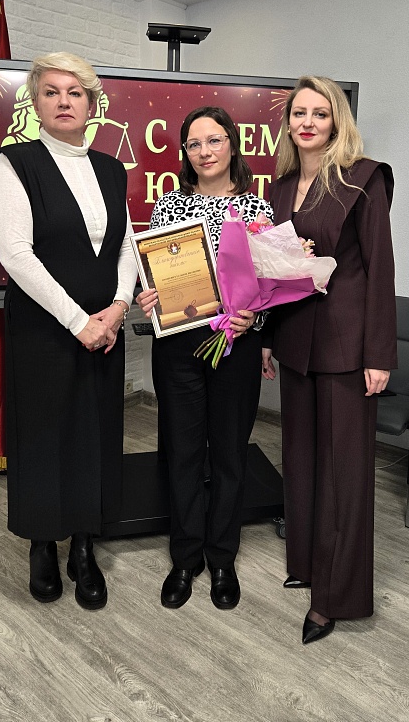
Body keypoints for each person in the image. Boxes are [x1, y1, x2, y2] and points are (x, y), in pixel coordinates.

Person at [0, 52, 138, 610]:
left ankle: (83, 545)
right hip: (46, 328)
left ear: (92, 103)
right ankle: (42, 545)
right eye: (51, 92)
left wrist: (117, 308)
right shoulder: (17, 162)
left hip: (105, 329)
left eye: (75, 92)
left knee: (95, 434)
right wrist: (79, 322)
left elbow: (126, 246)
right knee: (45, 434)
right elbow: (16, 254)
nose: (63, 101)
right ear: (36, 102)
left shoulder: (111, 169)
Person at [262, 76, 397, 643]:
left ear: (337, 121)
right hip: (295, 341)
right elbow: (273, 270)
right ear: (288, 122)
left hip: (347, 345)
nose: (308, 122)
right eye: (299, 113)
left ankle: (336, 597)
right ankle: (308, 564)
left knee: (343, 473)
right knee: (300, 461)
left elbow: (380, 268)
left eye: (320, 113)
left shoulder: (364, 178)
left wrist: (378, 354)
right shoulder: (279, 188)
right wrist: (267, 337)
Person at [136, 106, 274, 610]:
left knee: (231, 453)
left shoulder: (257, 210)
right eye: (194, 144)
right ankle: (185, 556)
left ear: (232, 144)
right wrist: (148, 295)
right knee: (184, 451)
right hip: (178, 346)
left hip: (235, 345)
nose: (205, 152)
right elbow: (154, 273)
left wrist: (255, 318)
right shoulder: (168, 206)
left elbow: (270, 285)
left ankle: (222, 557)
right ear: (185, 153)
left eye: (214, 141)